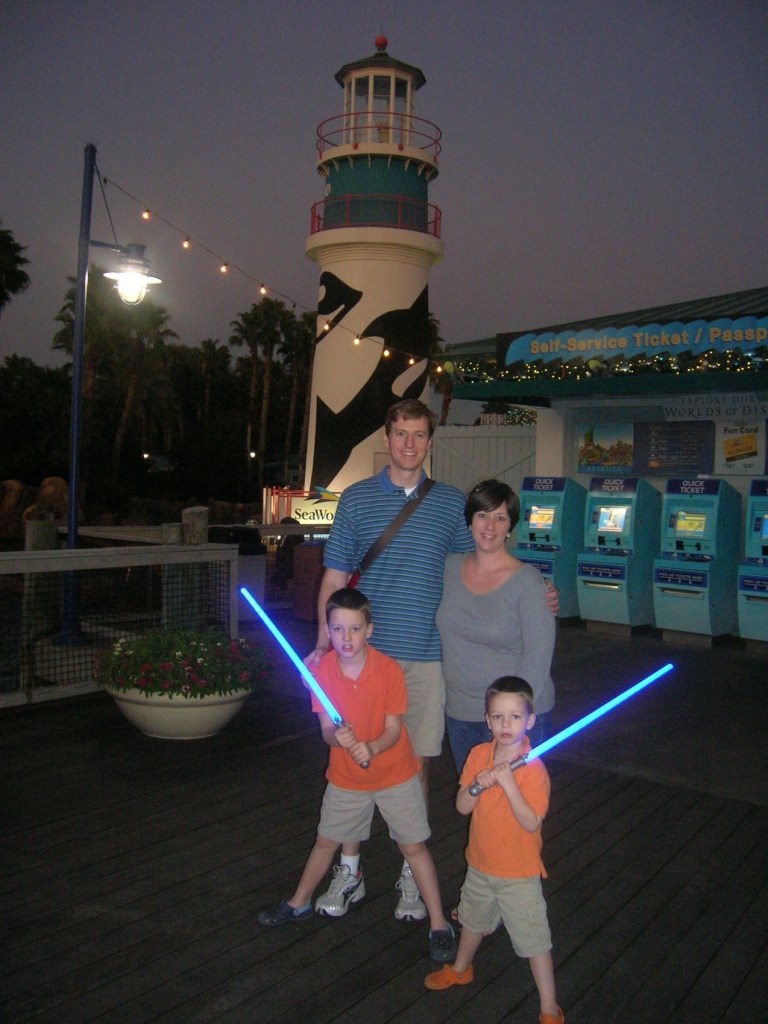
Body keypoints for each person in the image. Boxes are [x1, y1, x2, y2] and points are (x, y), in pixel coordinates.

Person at [307, 399, 557, 920]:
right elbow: (334, 578)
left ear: (430, 442)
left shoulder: (447, 504)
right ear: (387, 437)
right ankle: (349, 869)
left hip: (425, 660)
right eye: (400, 433)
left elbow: (484, 552)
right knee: (350, 760)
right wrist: (324, 646)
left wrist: (539, 588)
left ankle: (410, 872)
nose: (409, 444)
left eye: (419, 434)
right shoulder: (355, 499)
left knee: (415, 766)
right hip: (361, 659)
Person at [259, 587, 457, 963]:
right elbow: (325, 731)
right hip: (346, 778)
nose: (346, 638)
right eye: (337, 629)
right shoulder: (320, 672)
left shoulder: (388, 670)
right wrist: (339, 737)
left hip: (396, 774)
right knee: (326, 841)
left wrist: (372, 747)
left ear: (369, 630)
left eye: (354, 629)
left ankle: (438, 922)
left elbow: (394, 730)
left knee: (413, 846)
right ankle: (299, 902)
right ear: (327, 631)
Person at [424, 676, 564, 1024]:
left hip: (519, 873)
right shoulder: (478, 755)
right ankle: (461, 967)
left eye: (515, 717)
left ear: (530, 721)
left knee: (535, 941)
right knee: (472, 921)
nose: (505, 724)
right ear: (487, 720)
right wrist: (476, 785)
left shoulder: (534, 769)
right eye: (497, 716)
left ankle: (549, 1007)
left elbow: (531, 822)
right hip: (480, 864)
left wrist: (507, 783)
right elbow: (461, 807)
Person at [437, 479, 557, 774]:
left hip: (512, 720)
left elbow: (538, 660)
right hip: (461, 711)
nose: (490, 526)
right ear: (470, 521)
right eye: (482, 515)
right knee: (474, 796)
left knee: (513, 799)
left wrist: (509, 718)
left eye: (500, 518)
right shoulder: (448, 568)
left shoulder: (528, 583)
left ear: (510, 526)